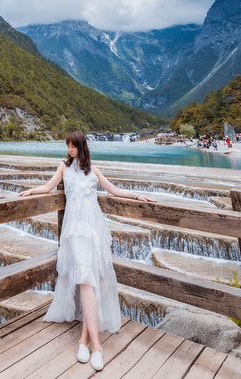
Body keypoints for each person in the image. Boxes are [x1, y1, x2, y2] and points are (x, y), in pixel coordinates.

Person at [18, 131, 157, 371]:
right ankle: (97, 346)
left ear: (81, 147)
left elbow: (114, 190)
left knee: (88, 281)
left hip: (93, 230)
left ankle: (87, 341)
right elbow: (49, 187)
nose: (70, 150)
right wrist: (31, 191)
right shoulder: (63, 167)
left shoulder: (94, 171)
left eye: (73, 146)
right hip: (73, 231)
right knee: (85, 279)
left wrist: (136, 195)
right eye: (68, 146)